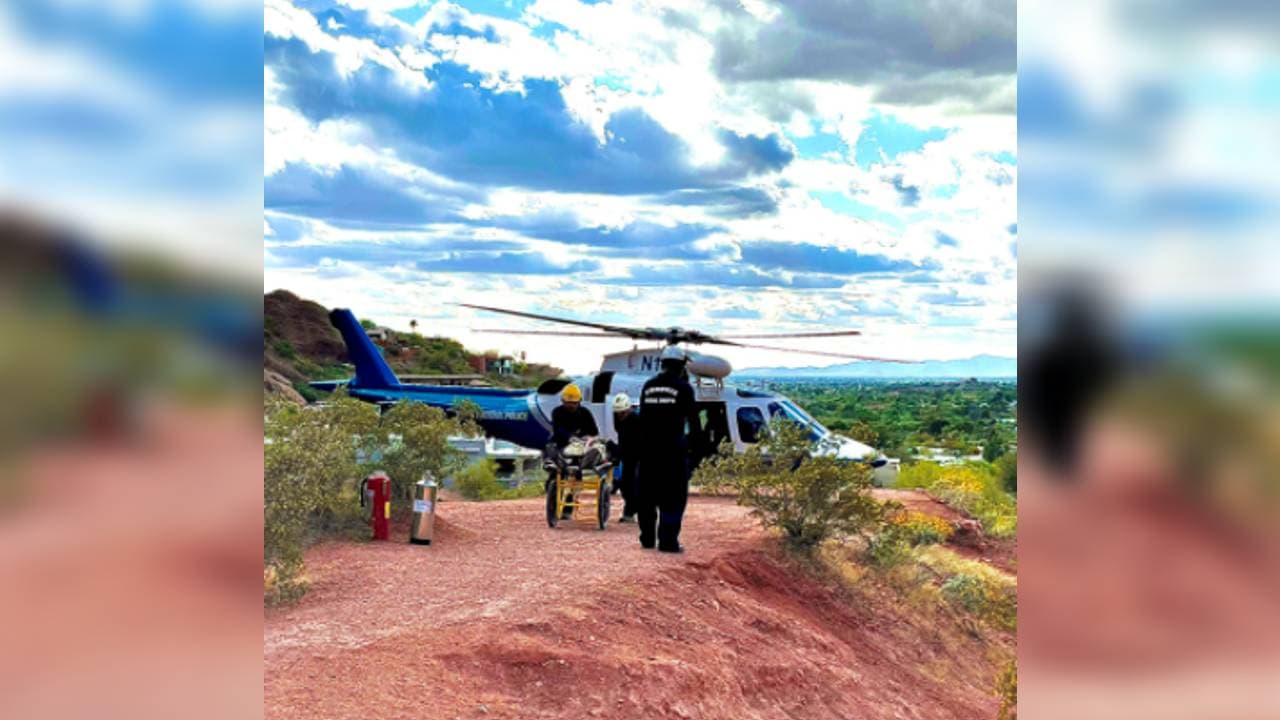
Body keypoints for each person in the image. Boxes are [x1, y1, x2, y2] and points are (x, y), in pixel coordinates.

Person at [636, 346, 700, 553]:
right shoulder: (684, 388)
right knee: (673, 498)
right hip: (672, 452)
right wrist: (695, 449)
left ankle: (647, 538)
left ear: (662, 364)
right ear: (681, 366)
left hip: (647, 451)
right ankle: (667, 542)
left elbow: (643, 418)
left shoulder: (648, 386)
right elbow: (694, 421)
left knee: (646, 497)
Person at [545, 383, 598, 519]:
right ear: (563, 401)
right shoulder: (557, 412)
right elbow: (558, 430)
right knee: (551, 449)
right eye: (568, 403)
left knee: (574, 478)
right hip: (561, 445)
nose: (570, 406)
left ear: (578, 402)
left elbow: (594, 432)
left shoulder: (585, 413)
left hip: (579, 450)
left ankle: (567, 509)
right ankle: (553, 500)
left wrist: (586, 439)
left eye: (573, 403)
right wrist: (570, 438)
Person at [605, 392, 640, 523]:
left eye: (623, 413)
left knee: (635, 483)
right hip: (627, 452)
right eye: (618, 413)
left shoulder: (636, 420)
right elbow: (622, 437)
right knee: (624, 484)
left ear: (629, 409)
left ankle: (632, 511)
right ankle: (630, 510)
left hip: (638, 453)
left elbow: (634, 442)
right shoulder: (618, 418)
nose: (620, 415)